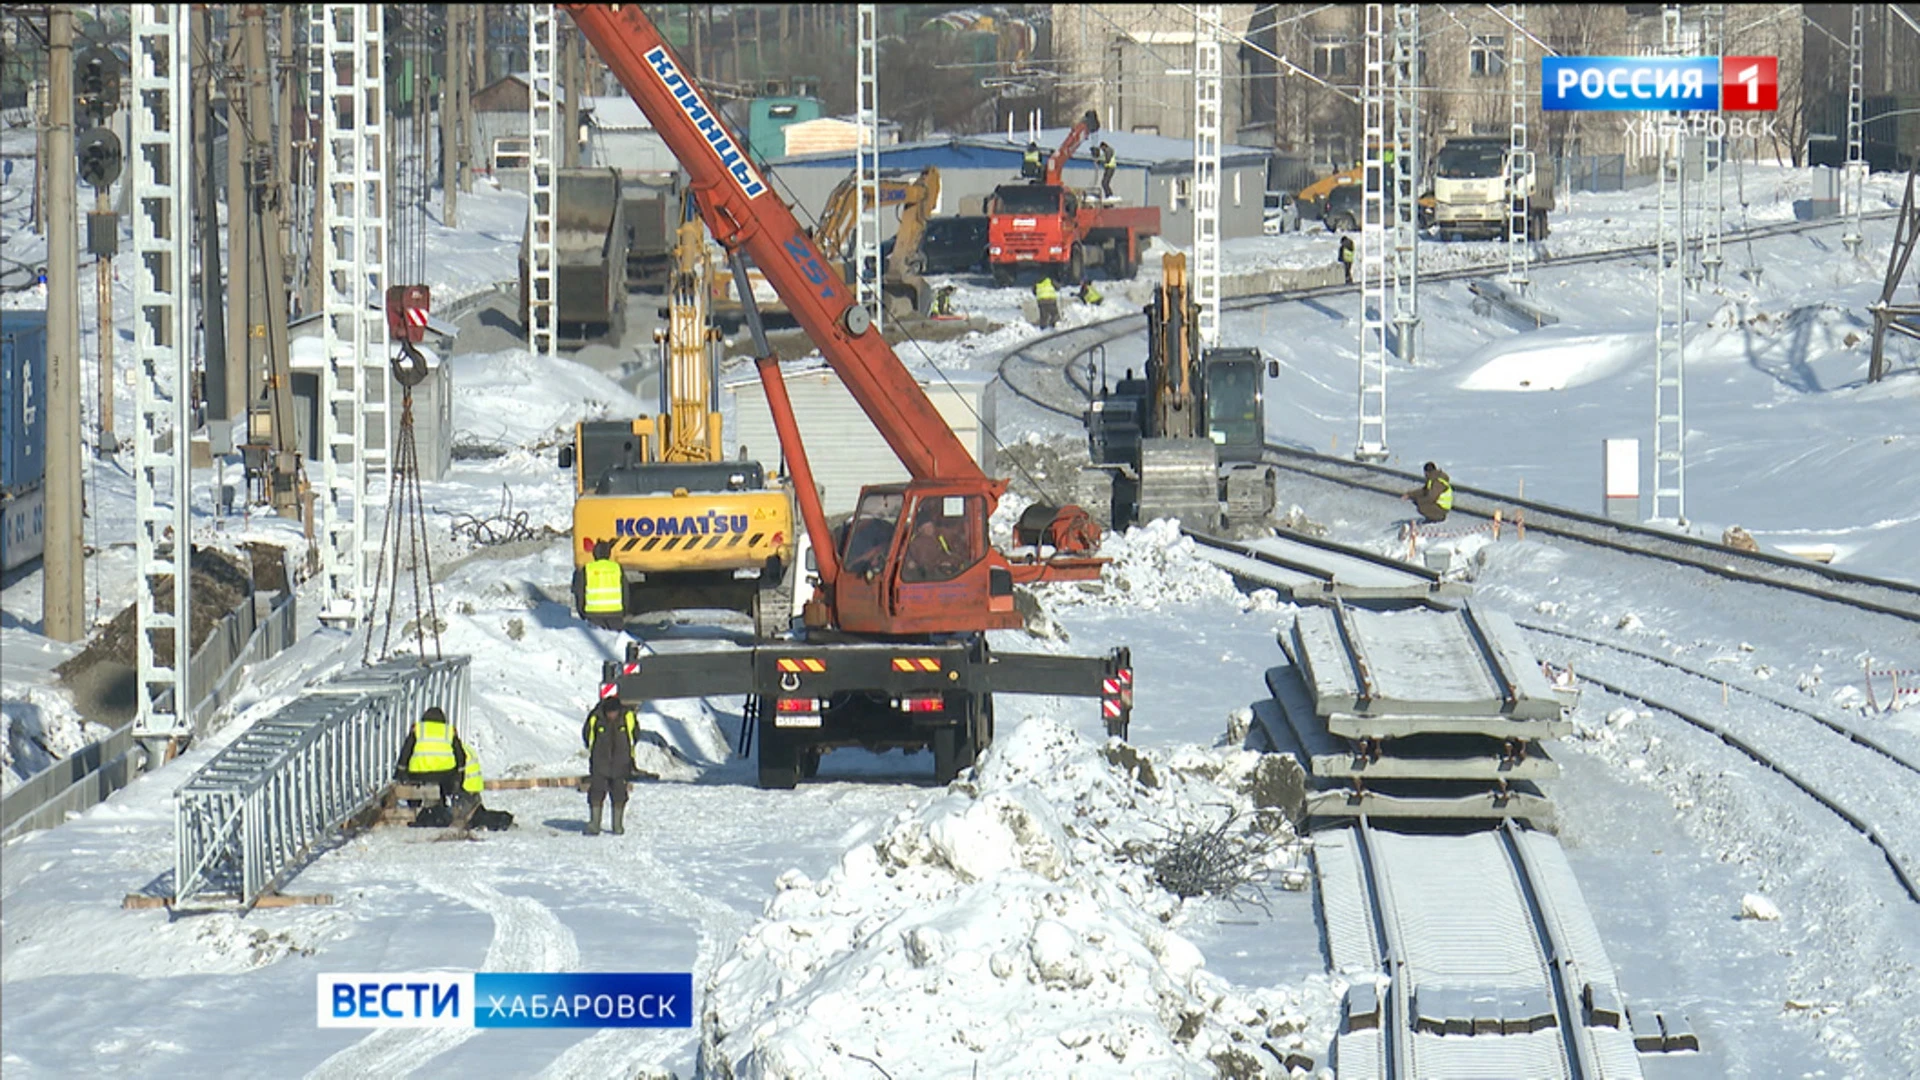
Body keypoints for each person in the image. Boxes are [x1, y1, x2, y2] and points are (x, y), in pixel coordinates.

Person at [582, 695, 641, 836]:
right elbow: (587, 736)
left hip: (621, 763)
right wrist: (594, 754)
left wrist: (629, 756)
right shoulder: (596, 717)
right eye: (609, 712)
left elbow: (635, 735)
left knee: (619, 794)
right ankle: (595, 824)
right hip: (599, 763)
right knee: (596, 792)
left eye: (614, 712)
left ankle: (617, 825)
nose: (611, 715)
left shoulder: (627, 717)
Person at [395, 706, 467, 802]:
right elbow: (460, 756)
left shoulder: (418, 729)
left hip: (417, 775)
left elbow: (406, 752)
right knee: (445, 794)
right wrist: (460, 774)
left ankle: (415, 807)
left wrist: (400, 770)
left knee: (413, 796)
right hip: (445, 776)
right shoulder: (449, 731)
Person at [581, 539, 623, 630]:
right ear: (609, 553)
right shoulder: (617, 568)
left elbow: (580, 592)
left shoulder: (587, 568)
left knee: (596, 640)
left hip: (593, 614)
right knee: (614, 641)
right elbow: (625, 591)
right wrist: (623, 610)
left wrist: (582, 611)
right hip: (615, 613)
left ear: (594, 553)